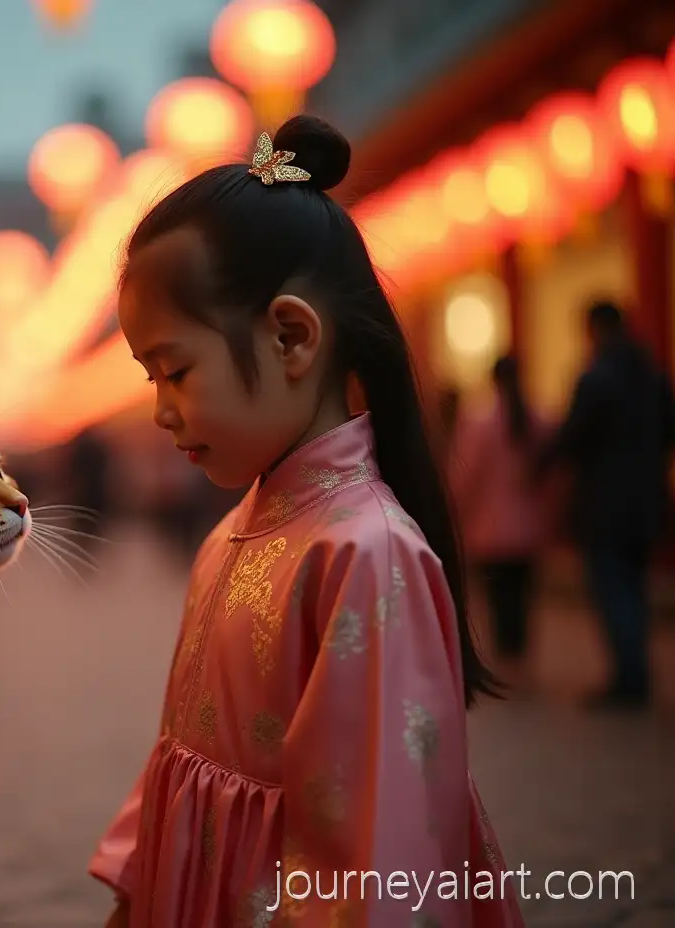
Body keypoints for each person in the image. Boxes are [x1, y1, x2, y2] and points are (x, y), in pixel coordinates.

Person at [90, 116, 522, 927]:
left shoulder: (367, 553)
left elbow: (379, 853)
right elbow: (177, 761)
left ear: (291, 337)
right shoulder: (231, 533)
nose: (161, 411)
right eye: (151, 378)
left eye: (175, 370)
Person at [536, 300, 675, 710]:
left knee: (613, 588)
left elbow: (572, 437)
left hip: (604, 502)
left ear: (595, 328)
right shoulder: (653, 375)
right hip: (647, 500)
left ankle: (629, 678)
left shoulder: (596, 378)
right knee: (633, 586)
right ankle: (636, 672)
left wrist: (539, 467)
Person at [448, 355, 552, 687]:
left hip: (490, 527)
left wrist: (456, 508)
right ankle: (521, 660)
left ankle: (508, 663)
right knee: (522, 596)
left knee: (498, 597)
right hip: (529, 526)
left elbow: (466, 474)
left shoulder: (481, 421)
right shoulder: (539, 418)